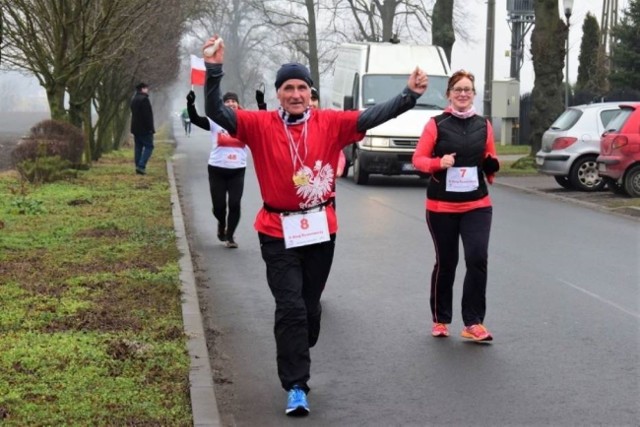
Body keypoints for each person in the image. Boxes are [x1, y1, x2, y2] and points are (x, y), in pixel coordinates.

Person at [202, 34, 428, 416]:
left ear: (310, 92)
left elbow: (373, 115)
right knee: (289, 308)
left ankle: (305, 331)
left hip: (320, 229)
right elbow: (216, 112)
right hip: (276, 230)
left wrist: (409, 95)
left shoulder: (330, 122)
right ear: (278, 94)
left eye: (301, 87)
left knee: (307, 309)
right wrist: (213, 70)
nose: (295, 94)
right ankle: (296, 386)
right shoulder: (257, 124)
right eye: (288, 88)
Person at [412, 69, 500, 343]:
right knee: (447, 262)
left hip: (477, 204)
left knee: (477, 259)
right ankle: (440, 318)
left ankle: (473, 322)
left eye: (468, 90)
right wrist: (439, 163)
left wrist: (492, 167)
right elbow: (418, 159)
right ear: (449, 94)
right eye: (458, 89)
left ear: (474, 95)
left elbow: (490, 158)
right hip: (441, 208)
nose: (463, 94)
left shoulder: (484, 124)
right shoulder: (436, 124)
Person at [186, 90, 251, 248]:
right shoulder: (216, 121)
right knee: (219, 207)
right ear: (223, 104)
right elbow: (195, 119)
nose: (230, 103)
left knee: (235, 204)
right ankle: (222, 223)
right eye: (227, 101)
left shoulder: (246, 120)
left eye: (233, 101)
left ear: (237, 103)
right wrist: (191, 104)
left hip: (238, 170)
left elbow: (264, 124)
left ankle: (230, 237)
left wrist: (262, 104)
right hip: (217, 169)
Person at [130, 82, 155, 175]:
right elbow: (147, 116)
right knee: (149, 147)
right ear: (142, 89)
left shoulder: (134, 99)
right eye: (146, 88)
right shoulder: (144, 100)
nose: (147, 90)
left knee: (138, 147)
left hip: (135, 128)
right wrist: (150, 128)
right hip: (145, 129)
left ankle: (137, 166)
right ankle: (141, 166)